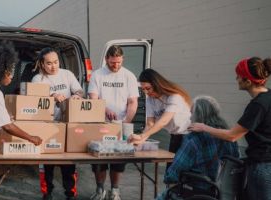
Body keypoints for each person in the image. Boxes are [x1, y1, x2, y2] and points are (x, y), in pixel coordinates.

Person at [189, 57, 271, 200]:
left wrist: (204, 127)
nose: (236, 78)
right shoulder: (268, 96)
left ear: (248, 81)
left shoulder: (258, 105)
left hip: (263, 165)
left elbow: (232, 136)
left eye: (239, 75)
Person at [0, 43, 43, 200]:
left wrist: (5, 119)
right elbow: (8, 126)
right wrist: (32, 138)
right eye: (9, 70)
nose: (12, 74)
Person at [156, 95, 239, 200]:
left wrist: (168, 179)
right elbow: (235, 161)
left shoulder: (194, 139)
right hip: (224, 191)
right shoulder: (228, 135)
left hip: (197, 190)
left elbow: (176, 170)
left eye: (191, 113)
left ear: (197, 115)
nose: (190, 117)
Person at [31, 47, 83, 200]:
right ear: (42, 64)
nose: (53, 66)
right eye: (49, 63)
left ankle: (70, 194)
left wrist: (76, 97)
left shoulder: (67, 74)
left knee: (68, 163)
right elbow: (33, 99)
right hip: (47, 125)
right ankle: (47, 193)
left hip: (67, 125)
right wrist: (52, 95)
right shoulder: (37, 79)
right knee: (47, 163)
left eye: (56, 62)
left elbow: (80, 91)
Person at [88, 45, 139, 200]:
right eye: (112, 63)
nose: (115, 66)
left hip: (122, 124)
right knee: (100, 159)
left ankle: (115, 191)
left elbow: (132, 101)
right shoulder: (97, 75)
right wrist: (105, 109)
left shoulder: (129, 76)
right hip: (101, 123)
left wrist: (126, 122)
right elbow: (93, 98)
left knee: (118, 160)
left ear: (122, 59)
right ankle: (100, 190)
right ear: (106, 60)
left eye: (118, 62)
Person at [128, 68, 192, 162]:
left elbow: (163, 121)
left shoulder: (174, 96)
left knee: (178, 169)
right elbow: (150, 124)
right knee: (171, 170)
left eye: (148, 88)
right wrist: (141, 139)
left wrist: (142, 136)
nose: (146, 92)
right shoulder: (150, 100)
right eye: (143, 89)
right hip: (174, 136)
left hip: (188, 136)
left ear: (156, 84)